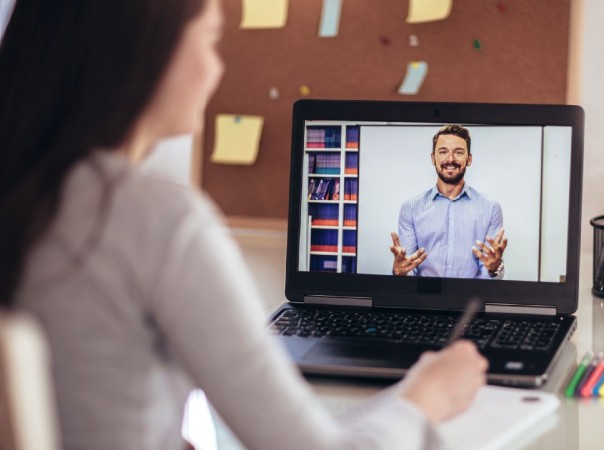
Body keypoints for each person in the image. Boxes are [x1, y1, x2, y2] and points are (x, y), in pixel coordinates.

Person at [0, 1, 488, 449]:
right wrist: (423, 398)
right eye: (212, 40)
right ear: (149, 50)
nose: (217, 68)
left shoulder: (27, 190)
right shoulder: (157, 220)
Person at [390, 125, 508, 279]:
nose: (450, 159)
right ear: (433, 158)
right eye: (443, 151)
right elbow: (408, 267)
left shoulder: (491, 208)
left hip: (470, 299)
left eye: (458, 152)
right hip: (424, 299)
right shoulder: (411, 208)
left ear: (469, 159)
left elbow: (488, 269)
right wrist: (399, 272)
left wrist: (494, 269)